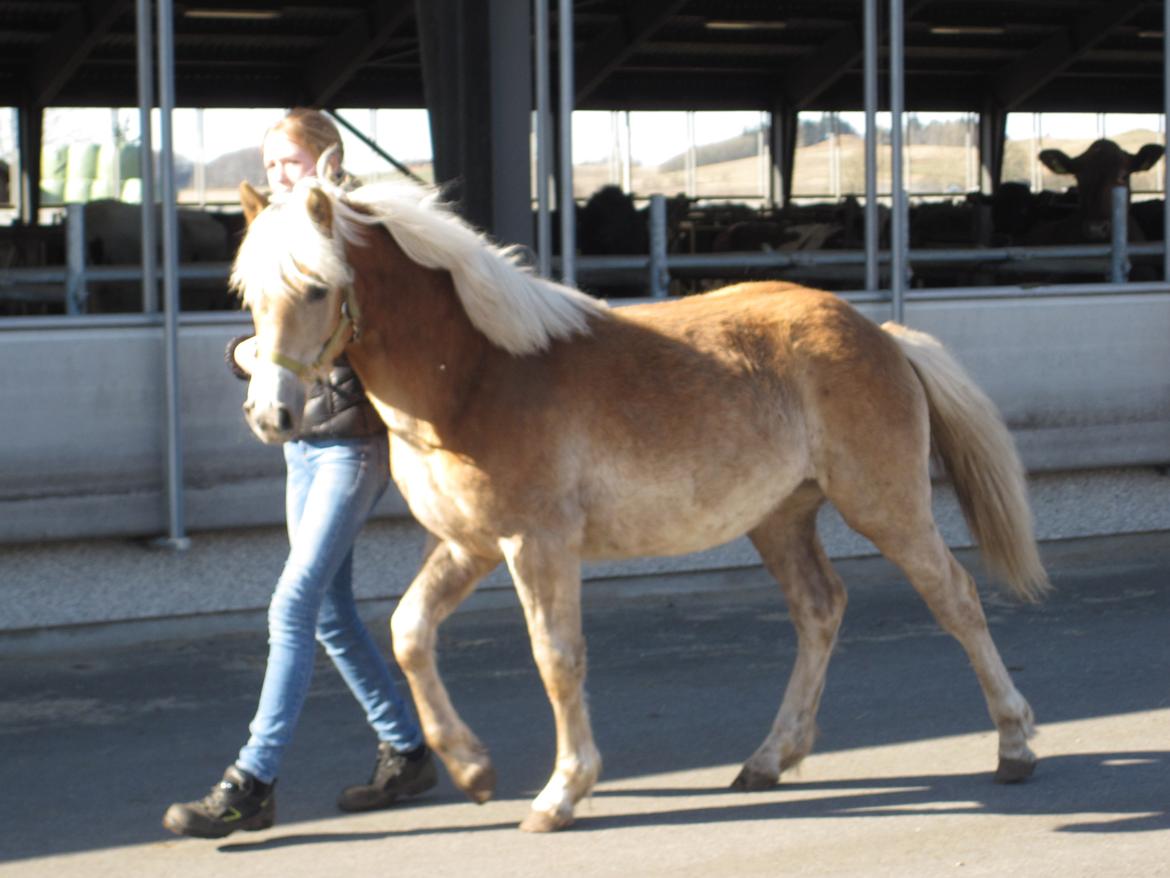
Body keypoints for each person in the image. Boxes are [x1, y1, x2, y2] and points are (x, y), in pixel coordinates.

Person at [163, 108, 435, 839]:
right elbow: (272, 328)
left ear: (328, 159)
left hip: (351, 444)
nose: (276, 175)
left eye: (288, 162)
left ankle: (252, 780)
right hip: (302, 442)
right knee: (333, 613)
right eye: (270, 162)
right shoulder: (282, 232)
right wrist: (242, 354)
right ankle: (408, 750)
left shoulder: (361, 237)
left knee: (293, 603)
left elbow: (369, 330)